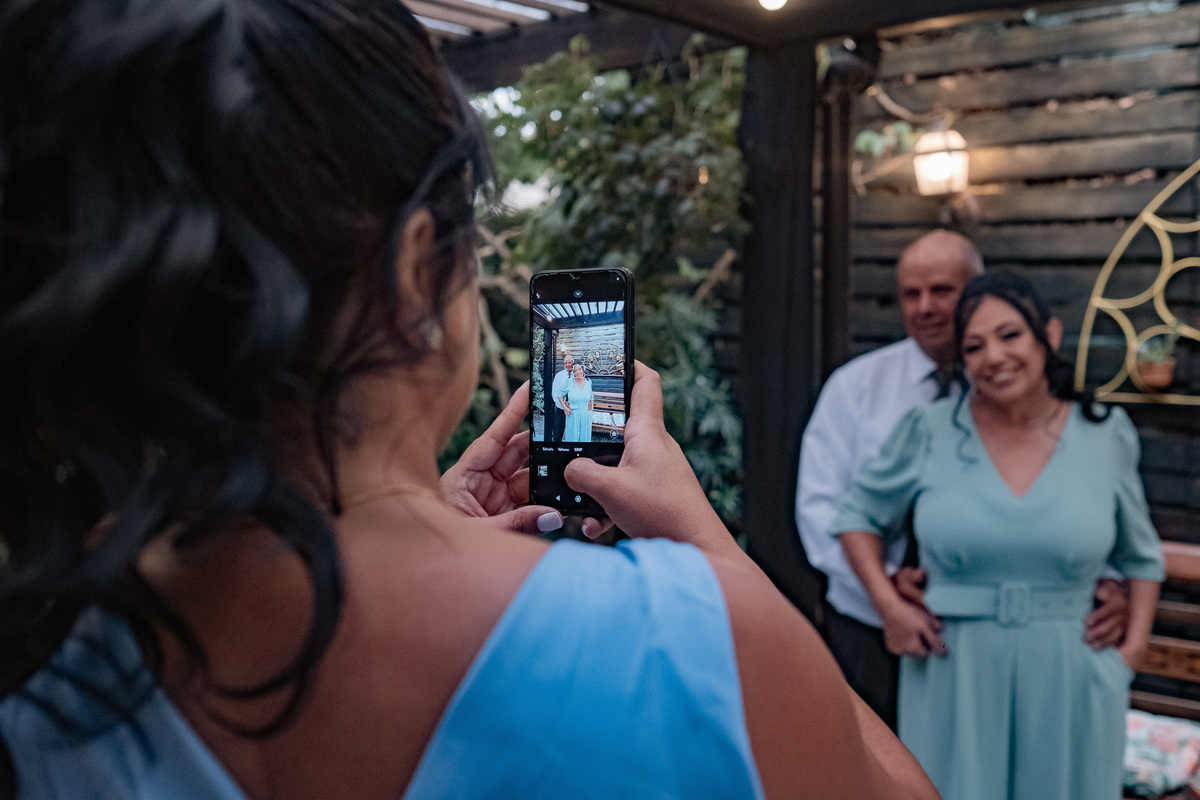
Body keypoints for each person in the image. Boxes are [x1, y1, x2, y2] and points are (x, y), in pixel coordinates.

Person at [0, 2, 939, 799]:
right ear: (415, 270)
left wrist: (405, 524)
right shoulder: (688, 644)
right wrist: (711, 549)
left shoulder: (47, 644)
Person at [833, 272, 1164, 800]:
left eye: (1010, 335)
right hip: (952, 671)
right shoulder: (929, 430)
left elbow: (1142, 558)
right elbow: (857, 517)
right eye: (974, 346)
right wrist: (889, 606)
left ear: (1048, 335)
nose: (993, 357)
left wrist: (1130, 655)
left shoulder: (1106, 435)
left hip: (1073, 674)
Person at [795, 229, 1129, 728]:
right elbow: (820, 510)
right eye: (911, 294)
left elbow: (1076, 499)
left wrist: (1110, 583)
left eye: (942, 291)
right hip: (870, 630)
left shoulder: (1026, 397)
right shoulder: (854, 388)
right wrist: (887, 590)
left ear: (977, 291)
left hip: (991, 640)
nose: (925, 307)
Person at [558, 363, 594, 443]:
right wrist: (565, 407)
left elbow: (591, 396)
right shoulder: (569, 382)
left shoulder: (588, 382)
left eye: (580, 369)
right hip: (573, 414)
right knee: (572, 437)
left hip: (586, 413)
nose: (578, 372)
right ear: (573, 373)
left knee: (585, 437)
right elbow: (559, 394)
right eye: (575, 370)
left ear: (583, 370)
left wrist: (592, 406)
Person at [549, 353, 575, 442]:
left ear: (573, 363)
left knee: (572, 433)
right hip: (560, 408)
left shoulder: (577, 374)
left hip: (573, 408)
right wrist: (563, 405)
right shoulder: (559, 376)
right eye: (566, 363)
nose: (568, 365)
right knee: (558, 432)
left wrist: (571, 404)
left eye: (569, 362)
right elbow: (555, 392)